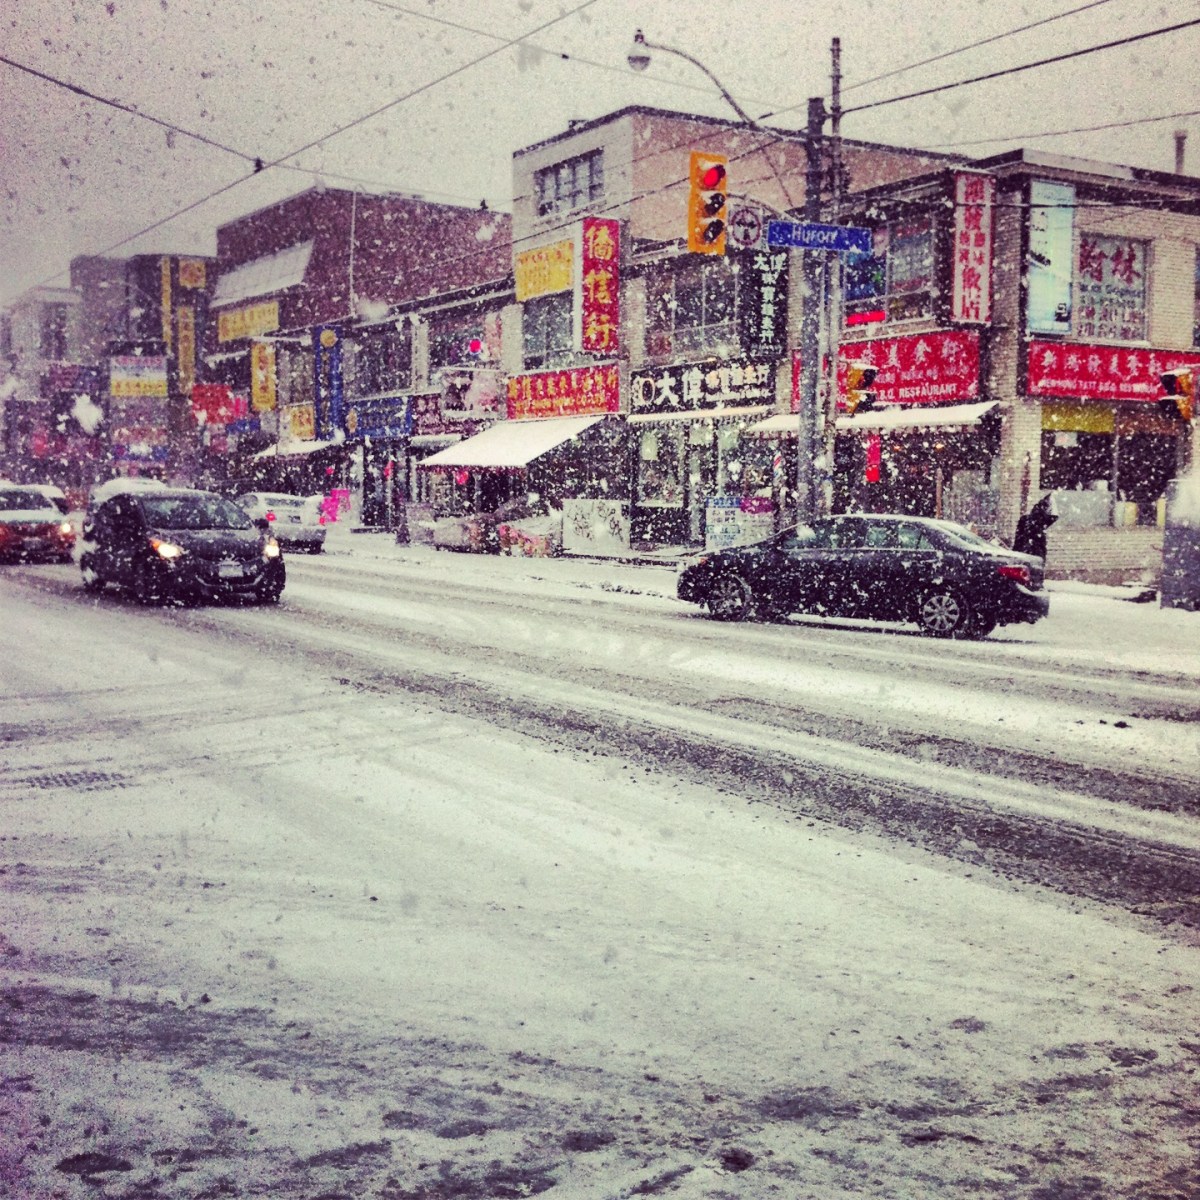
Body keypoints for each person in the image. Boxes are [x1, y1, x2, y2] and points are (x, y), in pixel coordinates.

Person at [1013, 493, 1057, 559]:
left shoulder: (1030, 519)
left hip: (1026, 552)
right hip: (1031, 553)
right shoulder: (1038, 520)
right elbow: (1053, 517)